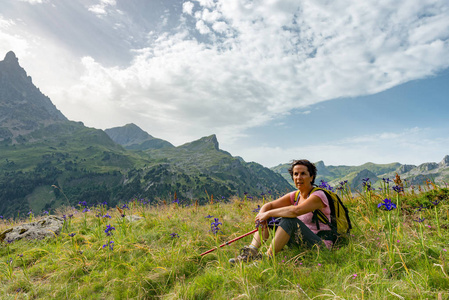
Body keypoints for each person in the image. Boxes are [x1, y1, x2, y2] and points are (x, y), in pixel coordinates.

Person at [229, 159, 333, 263]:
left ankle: (266, 259)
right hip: (300, 242)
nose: (298, 177)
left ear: (311, 177)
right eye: (295, 174)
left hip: (320, 245)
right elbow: (269, 205)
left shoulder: (318, 196)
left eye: (303, 174)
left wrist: (268, 213)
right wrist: (262, 215)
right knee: (269, 217)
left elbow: (295, 211)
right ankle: (251, 252)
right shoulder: (296, 195)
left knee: (289, 220)